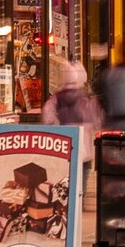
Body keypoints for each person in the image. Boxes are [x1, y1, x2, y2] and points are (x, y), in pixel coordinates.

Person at [41, 62, 101, 202]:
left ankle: (67, 200)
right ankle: (79, 199)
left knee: (65, 174)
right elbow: (97, 120)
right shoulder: (87, 99)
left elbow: (48, 119)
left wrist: (60, 127)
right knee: (83, 172)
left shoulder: (56, 99)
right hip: (84, 147)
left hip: (63, 145)